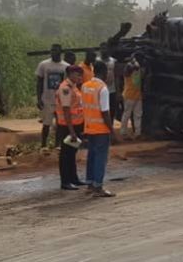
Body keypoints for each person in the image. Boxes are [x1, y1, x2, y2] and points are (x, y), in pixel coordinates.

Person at [82, 61, 118, 197]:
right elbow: (105, 112)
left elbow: (84, 106)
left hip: (89, 128)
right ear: (105, 72)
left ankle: (90, 184)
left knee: (91, 156)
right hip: (101, 129)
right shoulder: (102, 88)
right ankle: (98, 187)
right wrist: (112, 130)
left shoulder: (85, 86)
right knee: (100, 158)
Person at [55, 65, 87, 190]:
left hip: (75, 125)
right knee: (66, 154)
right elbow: (66, 110)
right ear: (69, 74)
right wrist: (71, 131)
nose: (79, 77)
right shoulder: (65, 88)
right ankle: (65, 181)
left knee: (72, 153)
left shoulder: (73, 87)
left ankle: (74, 178)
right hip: (67, 126)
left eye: (80, 74)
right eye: (77, 74)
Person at [36, 44, 69, 148]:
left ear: (60, 52)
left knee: (60, 124)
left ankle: (57, 144)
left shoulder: (66, 66)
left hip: (60, 100)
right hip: (47, 99)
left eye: (56, 50)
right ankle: (43, 145)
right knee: (46, 124)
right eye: (52, 50)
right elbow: (39, 82)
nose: (53, 52)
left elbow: (68, 85)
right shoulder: (43, 65)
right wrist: (39, 98)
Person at [121, 55, 144, 139]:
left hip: (137, 95)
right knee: (127, 114)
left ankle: (138, 133)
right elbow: (128, 70)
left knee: (137, 115)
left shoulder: (137, 67)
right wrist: (134, 64)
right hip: (129, 95)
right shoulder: (128, 67)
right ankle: (123, 132)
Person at [99, 43, 120, 120]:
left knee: (112, 109)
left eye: (105, 48)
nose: (104, 50)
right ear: (100, 50)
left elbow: (116, 76)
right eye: (102, 48)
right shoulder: (97, 61)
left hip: (111, 90)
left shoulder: (113, 61)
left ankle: (110, 124)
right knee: (101, 109)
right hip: (99, 90)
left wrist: (118, 92)